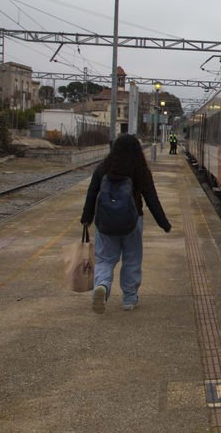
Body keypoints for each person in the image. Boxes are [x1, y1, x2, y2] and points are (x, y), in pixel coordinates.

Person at [80, 134, 172, 313]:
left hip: (105, 222)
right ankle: (129, 299)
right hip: (133, 222)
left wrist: (86, 218)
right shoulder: (140, 170)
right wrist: (164, 224)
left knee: (105, 259)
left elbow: (92, 194)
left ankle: (102, 285)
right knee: (132, 259)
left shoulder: (103, 168)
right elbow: (152, 199)